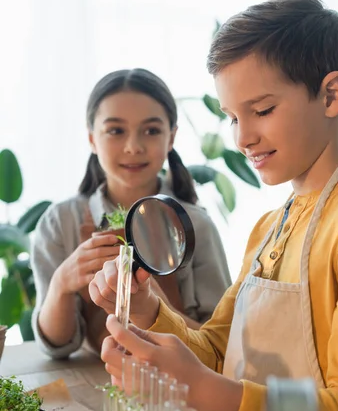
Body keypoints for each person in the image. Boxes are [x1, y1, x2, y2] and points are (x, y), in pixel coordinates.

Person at [90, 0, 338, 411]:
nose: (242, 137)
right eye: (233, 117)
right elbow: (216, 355)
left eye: (262, 110)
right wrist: (148, 309)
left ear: (332, 94)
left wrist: (209, 392)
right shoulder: (270, 226)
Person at [31, 68, 231, 359]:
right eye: (116, 130)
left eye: (151, 130)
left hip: (178, 391)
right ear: (91, 138)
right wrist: (61, 283)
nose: (134, 147)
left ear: (171, 137)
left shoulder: (196, 225)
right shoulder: (60, 222)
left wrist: (154, 308)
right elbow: (57, 345)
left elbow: (219, 344)